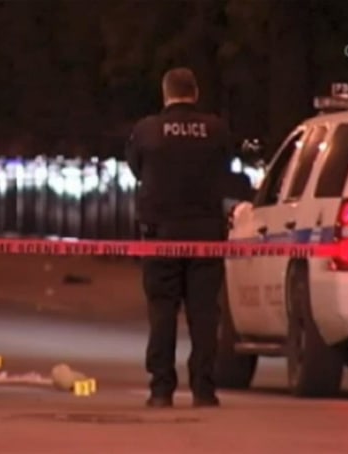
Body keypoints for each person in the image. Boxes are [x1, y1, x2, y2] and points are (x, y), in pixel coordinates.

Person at [125, 67, 239, 408]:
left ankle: (161, 389)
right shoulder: (217, 130)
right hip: (206, 234)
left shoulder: (147, 130)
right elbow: (226, 167)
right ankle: (204, 389)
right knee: (204, 314)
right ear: (196, 92)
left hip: (161, 234)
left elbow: (136, 169)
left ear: (166, 93)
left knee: (162, 311)